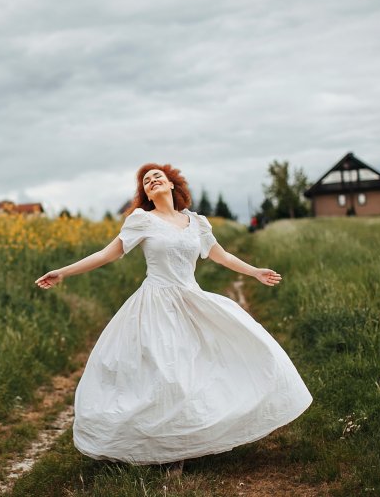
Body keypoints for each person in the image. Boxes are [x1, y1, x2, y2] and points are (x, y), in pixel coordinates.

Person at [35, 164, 312, 473]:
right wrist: (63, 272)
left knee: (204, 367)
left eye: (158, 177)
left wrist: (255, 271)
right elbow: (107, 254)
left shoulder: (197, 222)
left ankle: (189, 438)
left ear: (171, 185)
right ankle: (169, 453)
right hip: (155, 303)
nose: (152, 181)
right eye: (146, 181)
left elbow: (221, 255)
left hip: (191, 298)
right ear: (146, 193)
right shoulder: (141, 220)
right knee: (168, 374)